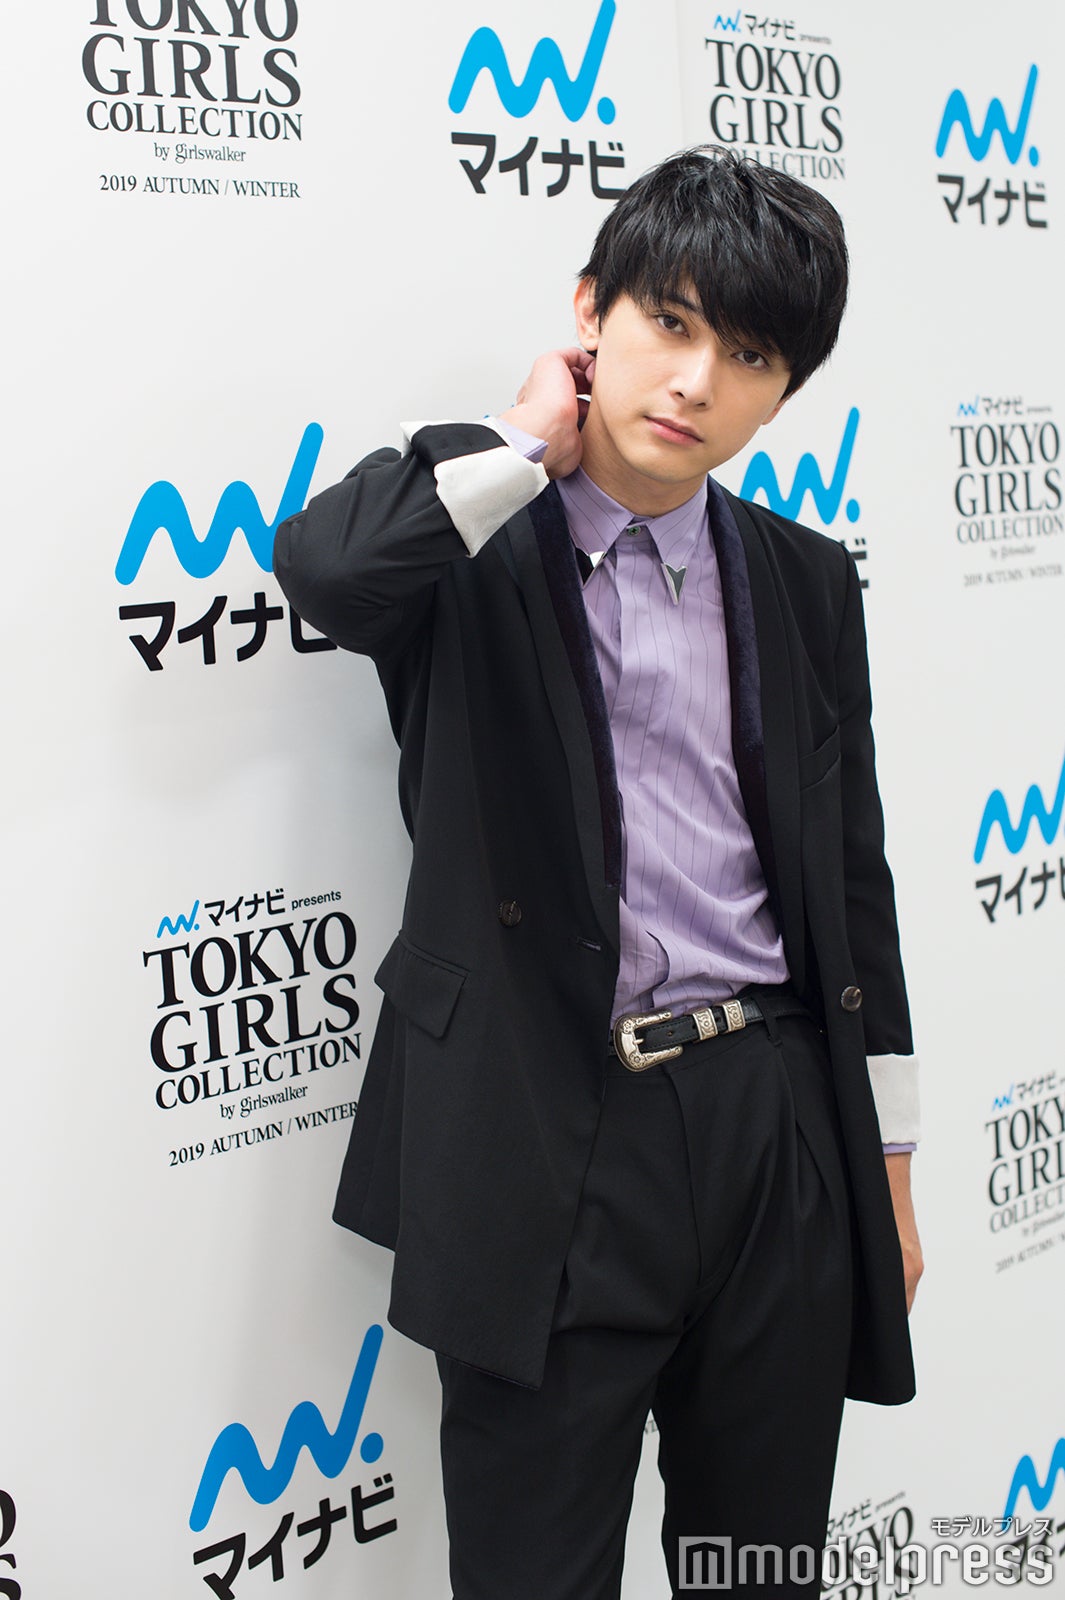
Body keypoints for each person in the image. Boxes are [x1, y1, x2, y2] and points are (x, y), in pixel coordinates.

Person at [273, 145, 923, 1599]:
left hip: (774, 1126)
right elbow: (325, 572)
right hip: (545, 1132)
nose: (695, 383)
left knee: (759, 1570)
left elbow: (852, 885)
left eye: (748, 357)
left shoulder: (804, 577)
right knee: (534, 1574)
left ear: (783, 392)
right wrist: (522, 442)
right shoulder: (470, 537)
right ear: (590, 312)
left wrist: (883, 1168)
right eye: (669, 324)